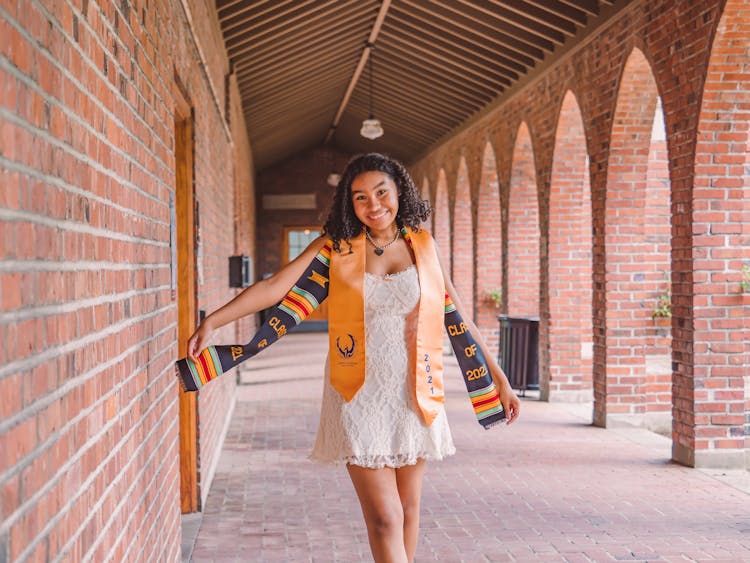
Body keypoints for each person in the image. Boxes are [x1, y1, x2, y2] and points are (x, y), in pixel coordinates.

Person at [187, 153, 520, 563]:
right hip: (355, 391)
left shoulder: (422, 246)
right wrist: (214, 321)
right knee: (385, 516)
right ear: (350, 203)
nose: (374, 204)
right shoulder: (337, 247)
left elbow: (458, 315)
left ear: (400, 191)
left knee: (409, 510)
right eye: (361, 197)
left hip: (414, 391)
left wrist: (499, 379)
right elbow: (274, 286)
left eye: (382, 192)